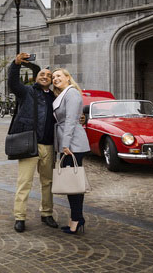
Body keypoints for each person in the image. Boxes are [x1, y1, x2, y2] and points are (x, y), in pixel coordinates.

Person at [8, 52, 58, 233]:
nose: (45, 77)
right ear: (36, 78)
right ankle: (20, 217)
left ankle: (47, 213)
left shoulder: (55, 97)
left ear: (52, 80)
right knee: (24, 182)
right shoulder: (27, 92)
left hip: (49, 145)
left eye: (48, 75)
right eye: (42, 75)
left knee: (48, 182)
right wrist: (15, 65)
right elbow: (13, 84)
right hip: (30, 143)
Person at [51, 68, 90, 235]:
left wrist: (65, 145)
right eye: (53, 77)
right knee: (71, 184)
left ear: (68, 78)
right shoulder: (63, 94)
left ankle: (77, 219)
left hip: (72, 144)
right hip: (68, 143)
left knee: (73, 184)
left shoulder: (72, 93)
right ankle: (77, 217)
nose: (55, 78)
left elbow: (71, 120)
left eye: (58, 75)